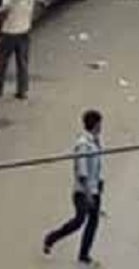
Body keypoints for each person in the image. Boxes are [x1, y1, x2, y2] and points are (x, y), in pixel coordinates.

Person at [43, 109, 104, 265]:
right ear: (96, 124)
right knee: (79, 221)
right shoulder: (83, 145)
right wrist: (89, 193)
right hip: (83, 192)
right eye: (100, 124)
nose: (101, 127)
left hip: (94, 189)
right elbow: (82, 172)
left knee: (93, 222)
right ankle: (52, 238)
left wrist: (99, 185)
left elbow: (97, 167)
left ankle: (84, 254)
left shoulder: (95, 142)